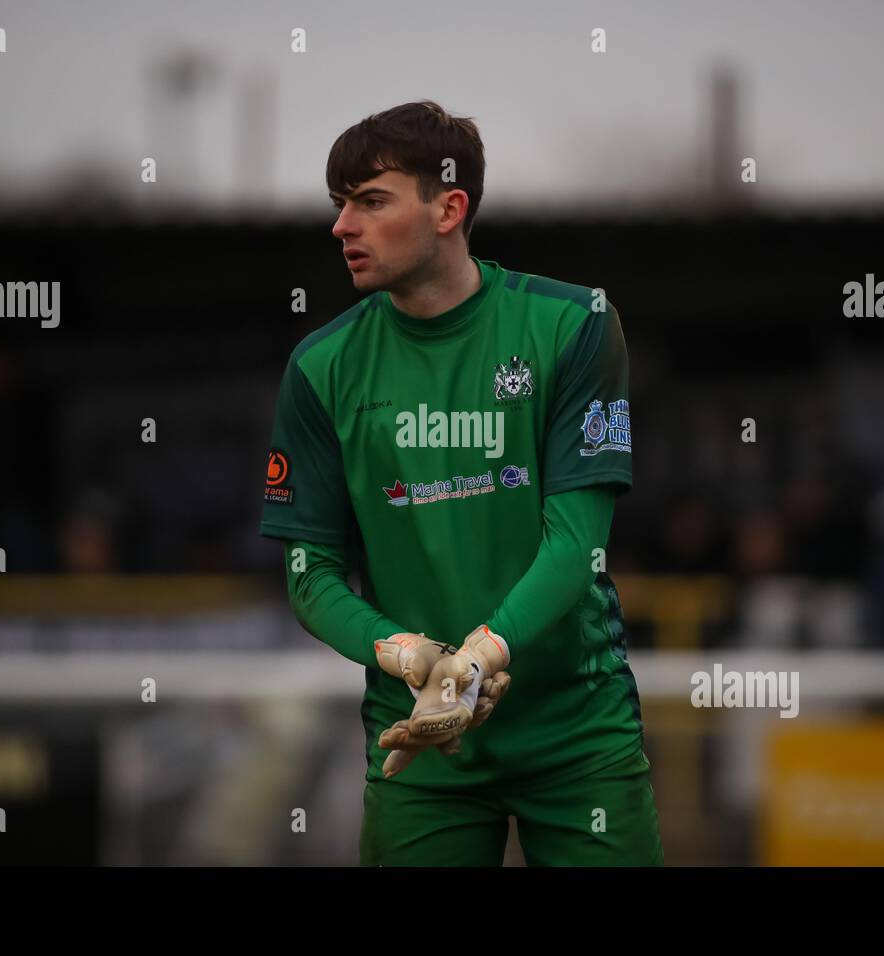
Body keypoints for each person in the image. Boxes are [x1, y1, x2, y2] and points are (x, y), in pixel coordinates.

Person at [260, 100, 662, 866]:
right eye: (339, 204)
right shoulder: (319, 368)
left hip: (576, 732)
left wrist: (475, 662)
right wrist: (407, 655)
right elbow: (309, 575)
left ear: (450, 208)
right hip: (419, 740)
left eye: (371, 202)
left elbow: (577, 543)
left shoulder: (573, 325)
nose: (343, 226)